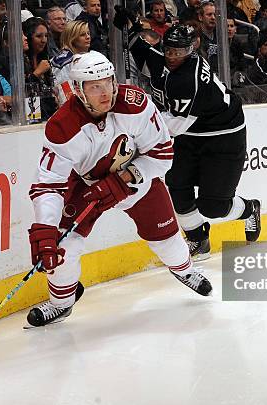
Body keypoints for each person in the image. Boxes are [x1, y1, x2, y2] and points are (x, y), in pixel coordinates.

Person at [26, 51, 212, 327]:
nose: (106, 92)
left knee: (168, 239)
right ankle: (61, 302)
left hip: (136, 179)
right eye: (95, 86)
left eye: (109, 82)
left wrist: (124, 179)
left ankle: (184, 269)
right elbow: (49, 183)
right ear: (78, 90)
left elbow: (161, 155)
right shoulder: (62, 126)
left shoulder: (135, 104)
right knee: (63, 246)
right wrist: (46, 229)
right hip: (85, 184)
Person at [117, 19, 262, 259]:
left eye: (180, 51)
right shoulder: (164, 61)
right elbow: (141, 48)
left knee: (213, 207)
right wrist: (131, 24)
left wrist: (136, 138)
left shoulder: (187, 80)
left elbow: (172, 126)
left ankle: (249, 209)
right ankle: (198, 240)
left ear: (190, 51)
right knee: (177, 186)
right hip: (191, 133)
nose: (172, 56)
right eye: (169, 50)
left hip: (223, 136)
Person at [51, 20, 91, 106]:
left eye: (88, 33)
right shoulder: (65, 62)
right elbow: (66, 98)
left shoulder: (84, 58)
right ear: (72, 38)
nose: (88, 37)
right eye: (82, 35)